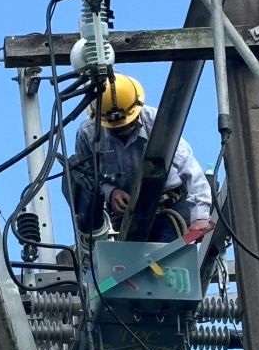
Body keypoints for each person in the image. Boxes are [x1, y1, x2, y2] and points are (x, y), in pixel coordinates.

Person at [74, 73, 212, 242]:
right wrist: (111, 193)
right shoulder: (88, 134)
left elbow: (188, 168)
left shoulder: (156, 122)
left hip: (171, 207)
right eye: (115, 127)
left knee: (166, 254)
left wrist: (200, 216)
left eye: (126, 123)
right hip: (128, 216)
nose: (122, 129)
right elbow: (89, 178)